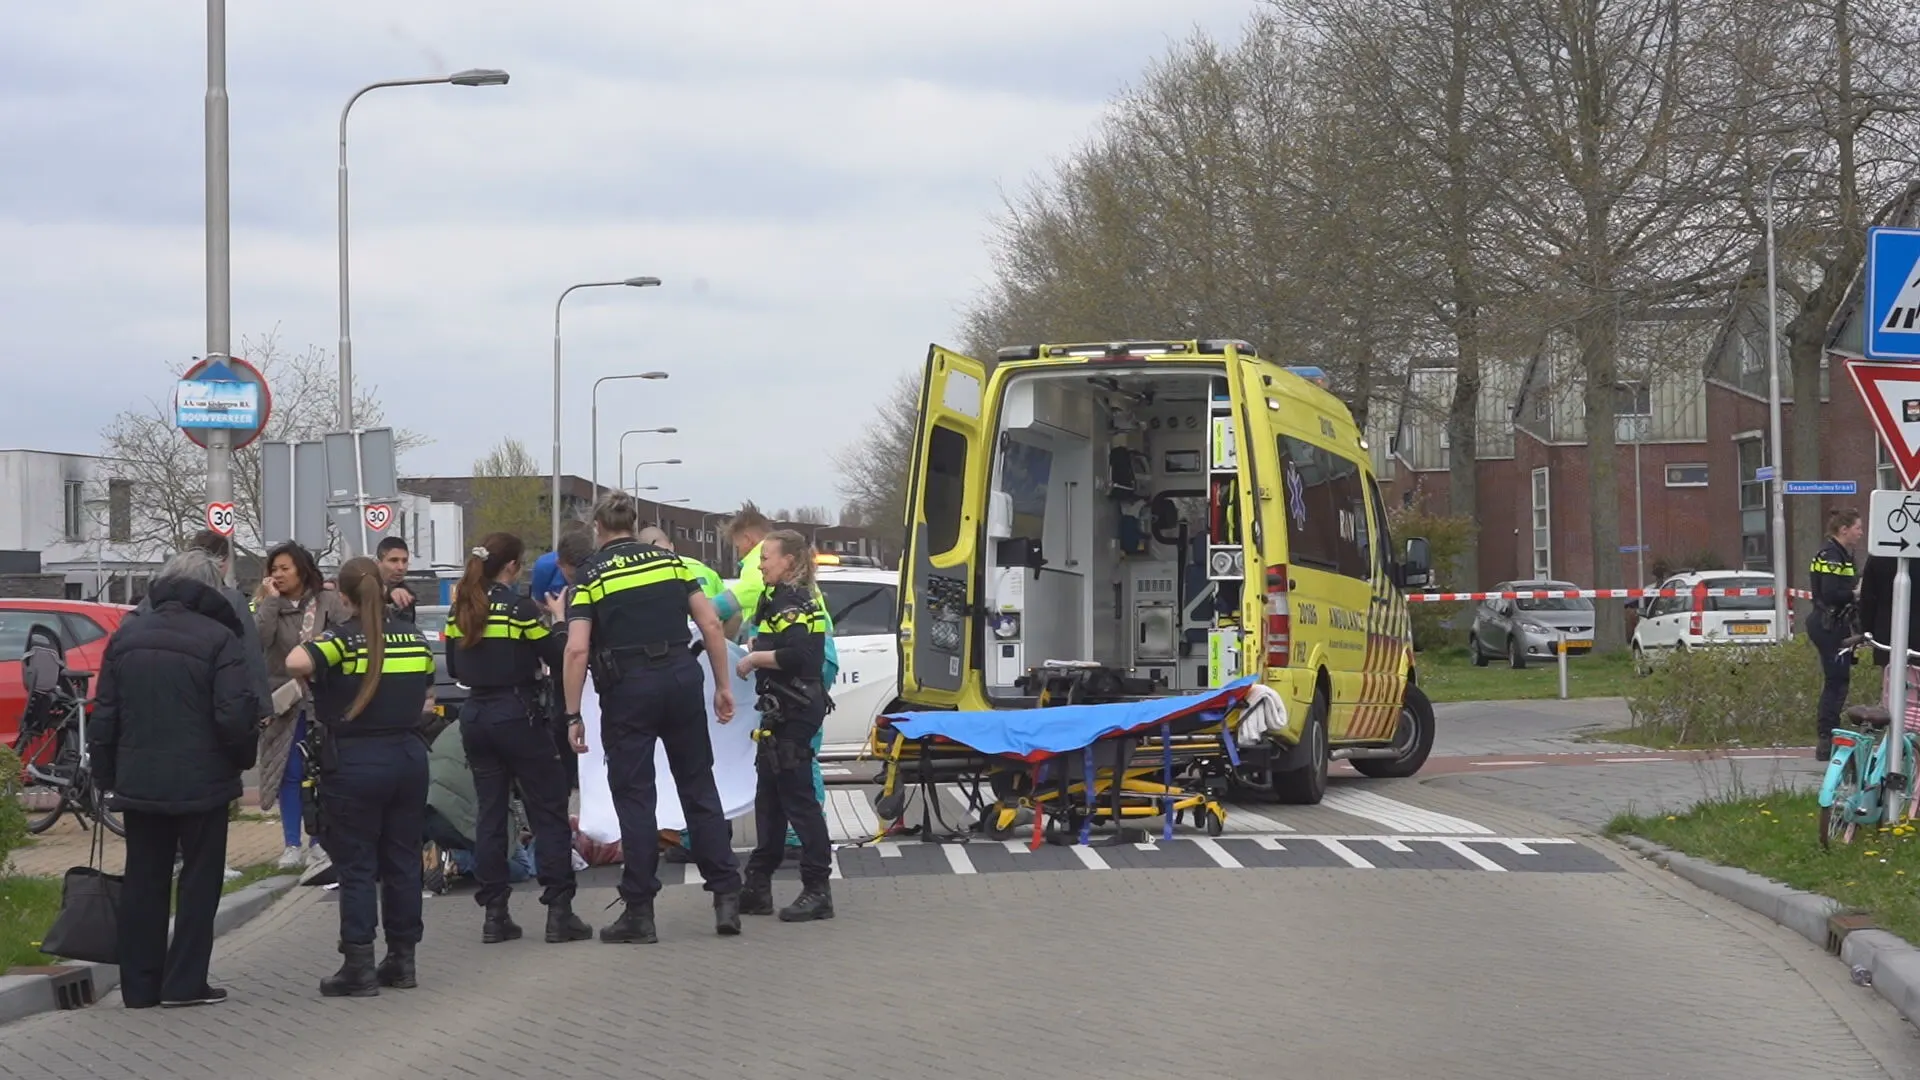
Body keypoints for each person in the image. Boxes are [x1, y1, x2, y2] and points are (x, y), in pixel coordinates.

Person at [560, 492, 743, 942]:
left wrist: (571, 715)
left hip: (628, 690)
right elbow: (712, 625)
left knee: (636, 799)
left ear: (600, 530)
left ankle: (639, 912)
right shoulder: (673, 564)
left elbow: (577, 648)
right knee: (699, 787)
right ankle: (725, 898)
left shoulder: (592, 575)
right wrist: (721, 685)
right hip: (681, 681)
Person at [89, 549, 260, 1008]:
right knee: (199, 883)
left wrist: (105, 773)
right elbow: (233, 715)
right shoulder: (220, 638)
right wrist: (241, 761)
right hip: (203, 783)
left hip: (141, 781)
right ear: (209, 589)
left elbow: (105, 712)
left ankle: (140, 987)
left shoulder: (126, 636)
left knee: (145, 880)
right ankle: (185, 983)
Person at [284, 556, 434, 998]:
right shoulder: (413, 638)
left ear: (344, 597)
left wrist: (318, 639)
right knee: (403, 861)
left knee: (357, 866)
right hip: (408, 757)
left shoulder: (342, 640)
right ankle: (403, 960)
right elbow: (425, 689)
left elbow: (295, 661)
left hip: (355, 759)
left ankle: (359, 964)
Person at [444, 532, 591, 946]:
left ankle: (496, 914)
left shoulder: (462, 609)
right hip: (518, 715)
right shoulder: (519, 608)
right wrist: (560, 620)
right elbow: (556, 654)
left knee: (490, 815)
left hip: (475, 717)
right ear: (511, 566)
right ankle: (559, 913)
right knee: (547, 811)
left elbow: (455, 663)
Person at [713, 504, 837, 858]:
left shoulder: (763, 566)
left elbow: (724, 606)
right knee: (786, 758)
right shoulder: (780, 579)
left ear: (751, 540)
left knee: (795, 753)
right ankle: (787, 848)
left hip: (802, 668)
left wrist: (694, 617)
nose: (751, 560)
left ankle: (802, 840)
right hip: (808, 657)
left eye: (741, 549)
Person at [736, 531, 835, 922]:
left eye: (766, 558)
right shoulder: (775, 598)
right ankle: (758, 885)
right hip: (779, 709)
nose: (760, 564)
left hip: (796, 707)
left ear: (789, 562)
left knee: (798, 801)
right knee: (770, 798)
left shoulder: (794, 600)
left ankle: (817, 890)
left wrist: (756, 659)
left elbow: (803, 655)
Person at [254, 541, 348, 870]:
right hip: (285, 701)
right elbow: (259, 642)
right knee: (289, 773)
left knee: (323, 772)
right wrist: (270, 603)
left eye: (284, 569)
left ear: (301, 569)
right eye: (273, 569)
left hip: (323, 699)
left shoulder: (327, 601)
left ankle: (319, 842)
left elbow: (344, 636)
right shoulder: (267, 604)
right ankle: (291, 844)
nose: (277, 575)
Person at [1808, 508, 1864, 761]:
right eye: (1858, 528)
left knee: (1839, 680)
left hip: (1832, 624)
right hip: (1828, 624)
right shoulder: (1832, 555)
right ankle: (1826, 739)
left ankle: (1828, 736)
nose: (1861, 533)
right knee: (1836, 682)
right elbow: (1830, 593)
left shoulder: (1840, 553)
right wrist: (1855, 594)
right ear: (1844, 530)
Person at [377, 536, 419, 624]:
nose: (401, 567)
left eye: (404, 561)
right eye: (393, 560)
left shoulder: (408, 596)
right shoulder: (364, 586)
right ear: (378, 563)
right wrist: (387, 593)